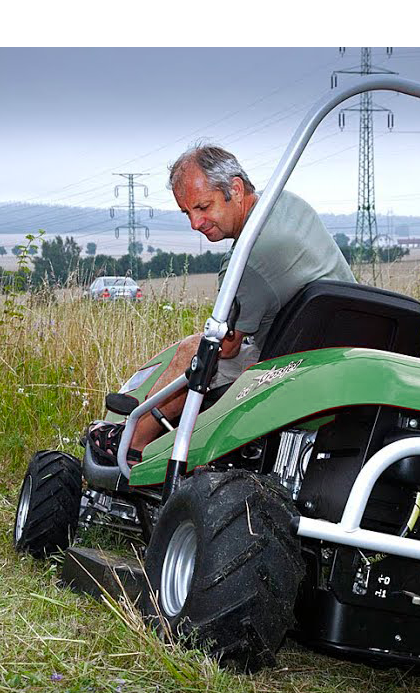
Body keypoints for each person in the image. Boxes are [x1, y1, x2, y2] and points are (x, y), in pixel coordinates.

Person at [90, 143, 355, 462]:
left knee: (195, 350)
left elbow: (225, 348)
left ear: (236, 189)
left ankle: (130, 443)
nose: (195, 224)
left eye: (203, 207)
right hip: (342, 350)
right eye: (187, 212)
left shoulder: (246, 260)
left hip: (291, 365)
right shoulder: (288, 204)